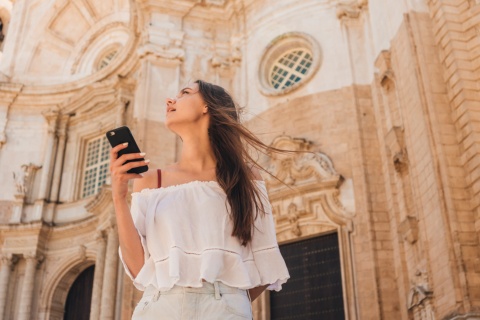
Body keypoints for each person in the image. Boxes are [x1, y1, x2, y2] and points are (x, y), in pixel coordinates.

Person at [110, 80, 290, 319]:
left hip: (224, 308)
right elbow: (138, 268)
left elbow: (263, 260)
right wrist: (119, 198)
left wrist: (228, 301)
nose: (170, 100)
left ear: (207, 106)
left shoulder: (244, 178)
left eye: (184, 93)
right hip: (158, 306)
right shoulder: (152, 180)